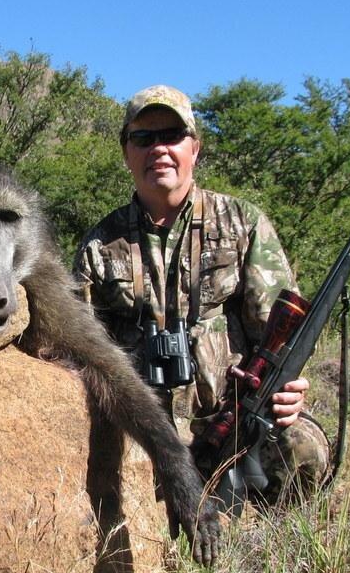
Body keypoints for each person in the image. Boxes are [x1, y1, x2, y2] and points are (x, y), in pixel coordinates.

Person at [74, 85, 330, 506]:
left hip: (229, 422)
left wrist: (289, 387)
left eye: (172, 135)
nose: (158, 148)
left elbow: (280, 335)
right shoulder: (99, 246)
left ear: (194, 147)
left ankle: (267, 545)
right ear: (126, 153)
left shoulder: (242, 223)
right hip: (143, 432)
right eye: (143, 138)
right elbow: (82, 353)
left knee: (303, 449)